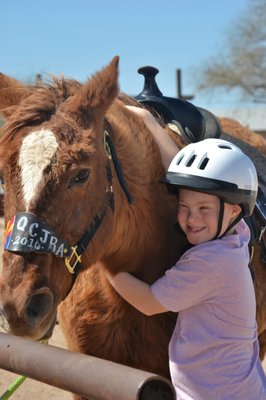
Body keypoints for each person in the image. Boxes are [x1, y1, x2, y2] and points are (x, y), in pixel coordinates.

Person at [105, 110, 266, 400]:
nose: (192, 218)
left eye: (203, 209)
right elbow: (190, 182)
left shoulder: (210, 263)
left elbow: (149, 301)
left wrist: (106, 264)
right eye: (184, 207)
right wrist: (149, 122)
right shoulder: (235, 234)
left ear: (233, 210)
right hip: (239, 386)